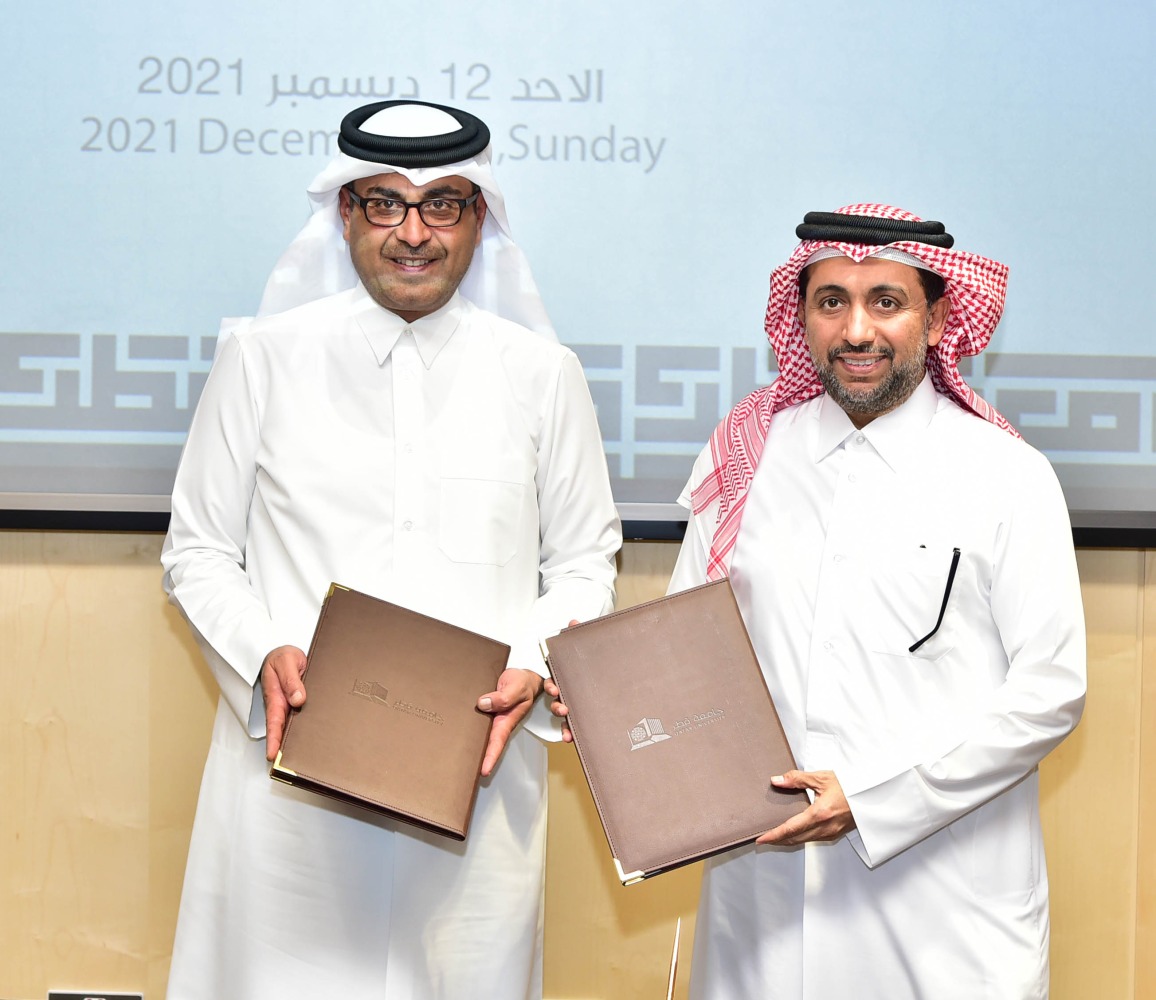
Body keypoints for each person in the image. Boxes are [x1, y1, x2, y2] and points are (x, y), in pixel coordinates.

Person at [553, 204, 1085, 998]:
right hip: (763, 899)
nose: (856, 330)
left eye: (887, 302)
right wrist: (610, 704)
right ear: (800, 316)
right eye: (831, 301)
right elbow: (679, 646)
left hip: (940, 905)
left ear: (939, 317)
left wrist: (875, 802)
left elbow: (1052, 690)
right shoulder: (750, 451)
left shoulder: (1006, 475)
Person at [161, 99, 620, 1000]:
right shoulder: (263, 359)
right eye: (384, 204)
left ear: (480, 218)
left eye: (443, 203)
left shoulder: (542, 375)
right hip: (289, 789)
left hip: (476, 797)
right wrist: (263, 655)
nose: (414, 233)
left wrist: (532, 661)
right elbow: (197, 552)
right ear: (344, 213)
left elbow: (583, 562)